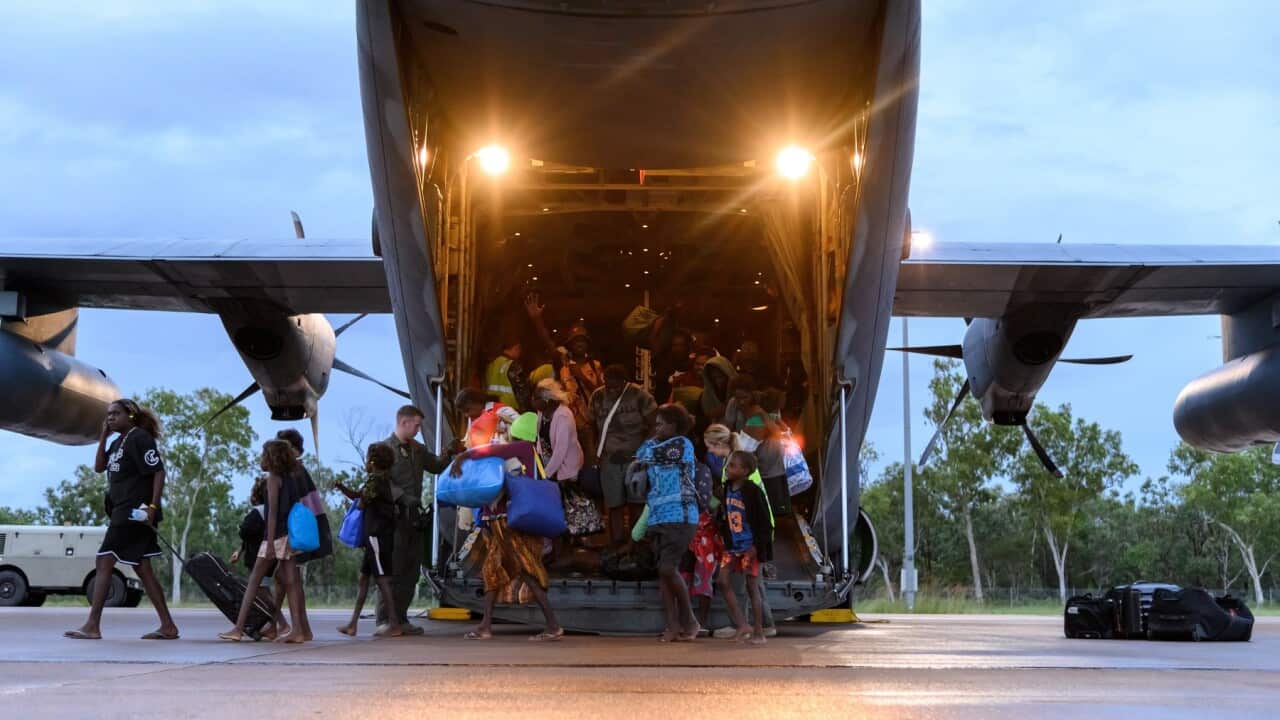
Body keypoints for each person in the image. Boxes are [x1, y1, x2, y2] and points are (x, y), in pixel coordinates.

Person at [66, 399, 178, 641]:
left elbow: (158, 471)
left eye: (116, 413)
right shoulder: (118, 442)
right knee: (143, 568)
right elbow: (98, 467)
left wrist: (152, 507)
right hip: (122, 510)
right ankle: (168, 625)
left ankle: (92, 624)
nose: (110, 418)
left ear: (131, 415)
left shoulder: (139, 438)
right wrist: (103, 437)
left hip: (133, 511)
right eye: (108, 415)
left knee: (105, 559)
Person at [450, 416, 563, 641]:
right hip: (502, 523)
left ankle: (553, 626)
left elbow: (490, 451)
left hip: (507, 524)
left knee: (527, 571)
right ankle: (485, 626)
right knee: (491, 571)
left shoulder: (521, 448)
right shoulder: (529, 455)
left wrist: (464, 455)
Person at [379, 405, 461, 634]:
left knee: (411, 570)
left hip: (414, 519)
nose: (418, 429)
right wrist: (402, 497)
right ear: (404, 422)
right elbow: (379, 481)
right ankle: (384, 619)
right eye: (416, 424)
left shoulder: (418, 449)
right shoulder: (384, 450)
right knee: (392, 569)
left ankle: (401, 619)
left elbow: (435, 466)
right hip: (393, 518)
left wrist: (448, 453)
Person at [219, 439, 307, 643]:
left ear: (272, 458)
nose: (261, 460)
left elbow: (273, 513)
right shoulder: (291, 478)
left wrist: (268, 543)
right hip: (289, 536)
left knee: (253, 583)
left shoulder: (273, 479)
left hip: (274, 537)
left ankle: (238, 628)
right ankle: (297, 630)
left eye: (263, 455)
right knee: (292, 583)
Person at [704, 424, 777, 638]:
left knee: (745, 584)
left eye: (710, 446)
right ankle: (762, 624)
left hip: (750, 534)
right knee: (752, 583)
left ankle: (744, 625)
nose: (709, 451)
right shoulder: (735, 468)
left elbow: (751, 507)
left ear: (720, 444)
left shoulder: (738, 470)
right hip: (742, 535)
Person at [636, 403, 700, 642]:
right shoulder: (656, 443)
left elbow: (647, 454)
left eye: (661, 424)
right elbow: (642, 453)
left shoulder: (682, 445)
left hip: (680, 516)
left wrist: (648, 448)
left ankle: (690, 620)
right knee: (663, 574)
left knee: (667, 568)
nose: (656, 428)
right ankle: (673, 625)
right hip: (658, 516)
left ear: (673, 426)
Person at [335, 443, 402, 638]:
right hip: (374, 537)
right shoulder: (380, 480)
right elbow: (360, 496)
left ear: (372, 462)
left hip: (377, 536)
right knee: (364, 579)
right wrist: (343, 488)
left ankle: (394, 624)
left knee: (383, 580)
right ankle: (352, 624)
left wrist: (349, 493)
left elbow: (362, 502)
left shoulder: (375, 481)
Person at [524, 293, 603, 454]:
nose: (579, 343)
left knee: (589, 460)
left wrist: (581, 377)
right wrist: (537, 320)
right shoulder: (563, 362)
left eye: (582, 340)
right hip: (565, 422)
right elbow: (548, 342)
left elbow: (602, 393)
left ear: (587, 344)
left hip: (588, 425)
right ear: (570, 344)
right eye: (576, 340)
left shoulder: (595, 366)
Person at [588, 364, 657, 546]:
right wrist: (595, 451)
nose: (611, 390)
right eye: (608, 385)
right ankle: (617, 543)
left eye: (615, 386)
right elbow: (591, 425)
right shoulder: (598, 395)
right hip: (609, 458)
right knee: (613, 504)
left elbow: (655, 425)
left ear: (624, 382)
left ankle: (636, 543)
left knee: (636, 503)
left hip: (635, 458)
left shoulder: (639, 395)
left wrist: (643, 451)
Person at [716, 451, 772, 645]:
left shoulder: (753, 491)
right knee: (722, 581)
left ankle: (758, 630)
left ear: (745, 470)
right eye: (728, 464)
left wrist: (757, 546)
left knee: (751, 587)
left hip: (750, 547)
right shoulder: (725, 489)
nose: (727, 468)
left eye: (732, 465)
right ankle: (742, 625)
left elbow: (765, 523)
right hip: (732, 546)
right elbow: (724, 515)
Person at [274, 428, 324, 640]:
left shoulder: (291, 472)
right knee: (287, 580)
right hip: (301, 532)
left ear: (293, 450)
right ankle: (299, 627)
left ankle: (295, 628)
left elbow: (286, 505)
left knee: (289, 580)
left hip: (292, 534)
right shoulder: (299, 471)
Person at [531, 379, 583, 484]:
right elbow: (540, 439)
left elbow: (560, 451)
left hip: (567, 469)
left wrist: (545, 475)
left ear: (547, 401)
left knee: (567, 498)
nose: (532, 400)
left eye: (536, 398)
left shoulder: (563, 416)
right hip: (551, 466)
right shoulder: (542, 412)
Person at [457, 388, 521, 449]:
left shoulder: (502, 410)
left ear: (476, 403)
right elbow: (470, 442)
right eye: (464, 412)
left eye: (467, 410)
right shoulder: (473, 416)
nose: (466, 415)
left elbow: (524, 429)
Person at [484, 337, 531, 411]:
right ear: (516, 348)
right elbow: (522, 390)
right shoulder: (512, 365)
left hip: (492, 408)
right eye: (519, 350)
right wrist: (526, 408)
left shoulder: (491, 364)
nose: (520, 354)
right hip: (510, 409)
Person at [699, 354, 738, 424]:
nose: (718, 382)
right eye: (714, 378)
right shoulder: (706, 396)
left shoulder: (741, 391)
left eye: (720, 377)